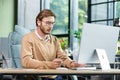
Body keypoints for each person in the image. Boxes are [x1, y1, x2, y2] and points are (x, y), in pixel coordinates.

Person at [21, 9, 85, 80]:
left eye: (52, 23)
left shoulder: (54, 39)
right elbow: (26, 61)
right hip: (38, 77)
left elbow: (63, 58)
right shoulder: (28, 38)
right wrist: (50, 64)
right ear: (38, 22)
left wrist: (72, 63)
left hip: (55, 77)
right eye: (48, 23)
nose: (51, 26)